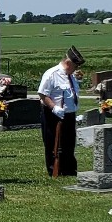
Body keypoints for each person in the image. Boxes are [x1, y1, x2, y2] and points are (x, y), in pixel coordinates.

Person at [38, 46, 84, 177]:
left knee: (69, 143)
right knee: (53, 143)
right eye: (75, 66)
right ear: (68, 63)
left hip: (69, 114)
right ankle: (54, 169)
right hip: (53, 114)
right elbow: (42, 94)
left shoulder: (71, 76)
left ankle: (69, 169)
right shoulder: (51, 74)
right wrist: (54, 107)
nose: (76, 69)